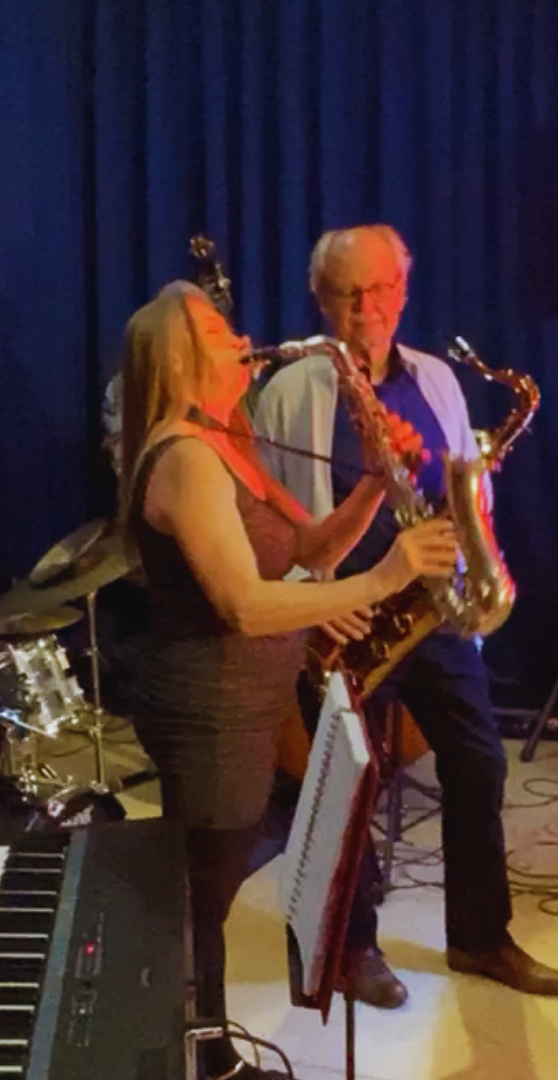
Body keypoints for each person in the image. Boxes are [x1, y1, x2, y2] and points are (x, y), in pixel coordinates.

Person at [118, 285, 459, 1080]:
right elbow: (243, 603)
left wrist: (375, 482)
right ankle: (202, 1060)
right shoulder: (183, 457)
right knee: (204, 900)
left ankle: (206, 1052)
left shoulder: (221, 445)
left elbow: (312, 551)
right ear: (179, 357)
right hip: (211, 710)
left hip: (249, 703)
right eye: (218, 330)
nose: (243, 337)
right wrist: (385, 579)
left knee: (214, 887)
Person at [253, 224, 558, 1007]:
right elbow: (269, 513)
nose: (367, 308)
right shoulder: (290, 390)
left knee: (480, 762)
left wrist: (474, 553)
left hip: (431, 610)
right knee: (349, 783)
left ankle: (480, 937)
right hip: (344, 615)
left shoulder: (437, 379)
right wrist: (307, 595)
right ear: (322, 299)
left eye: (382, 288)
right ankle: (353, 947)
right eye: (348, 293)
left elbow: (465, 487)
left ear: (404, 290)